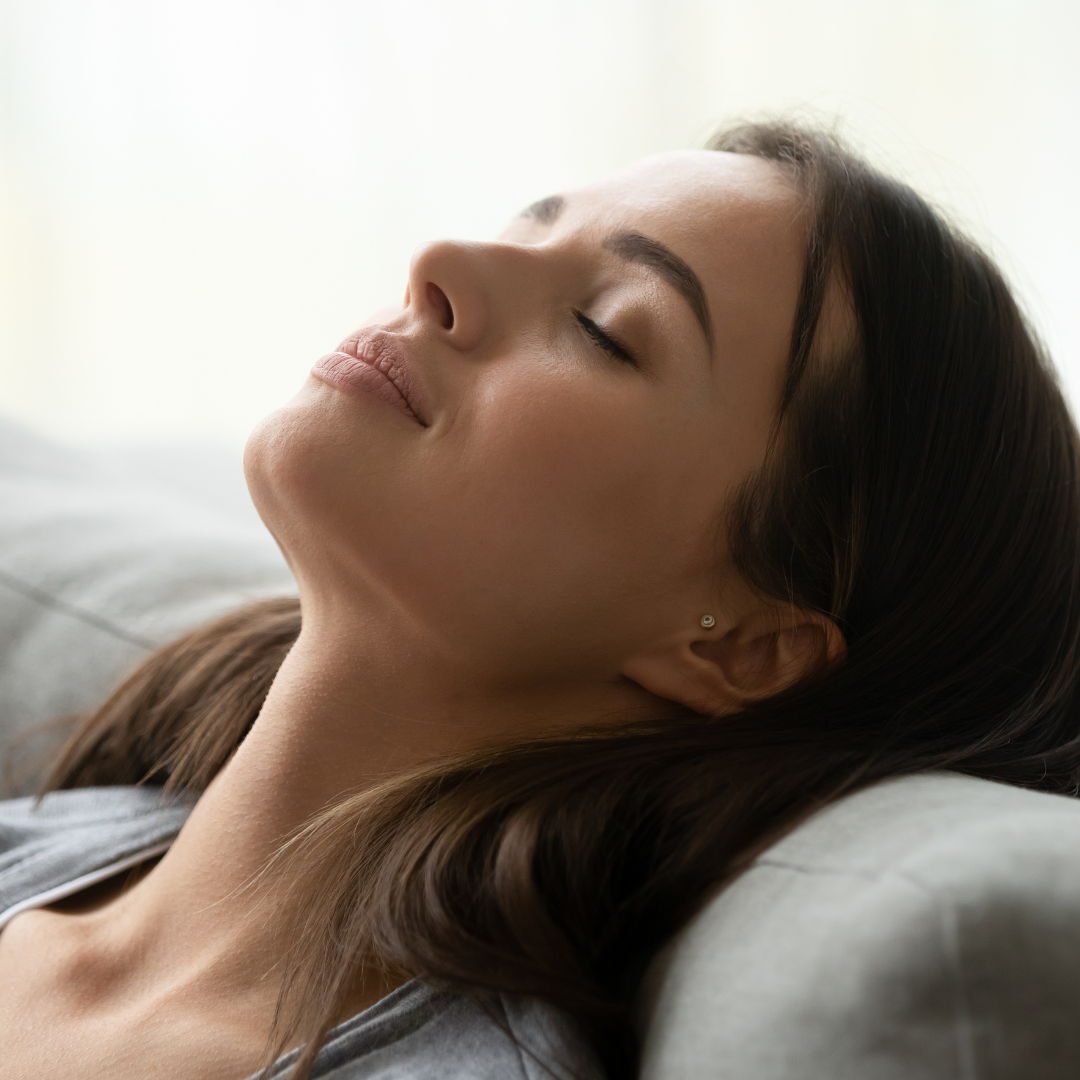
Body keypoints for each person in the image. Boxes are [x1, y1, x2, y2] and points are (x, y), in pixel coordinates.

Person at [0, 119, 1077, 1080]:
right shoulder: (38, 852)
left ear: (745, 647)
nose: (437, 264)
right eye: (527, 225)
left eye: (606, 327)